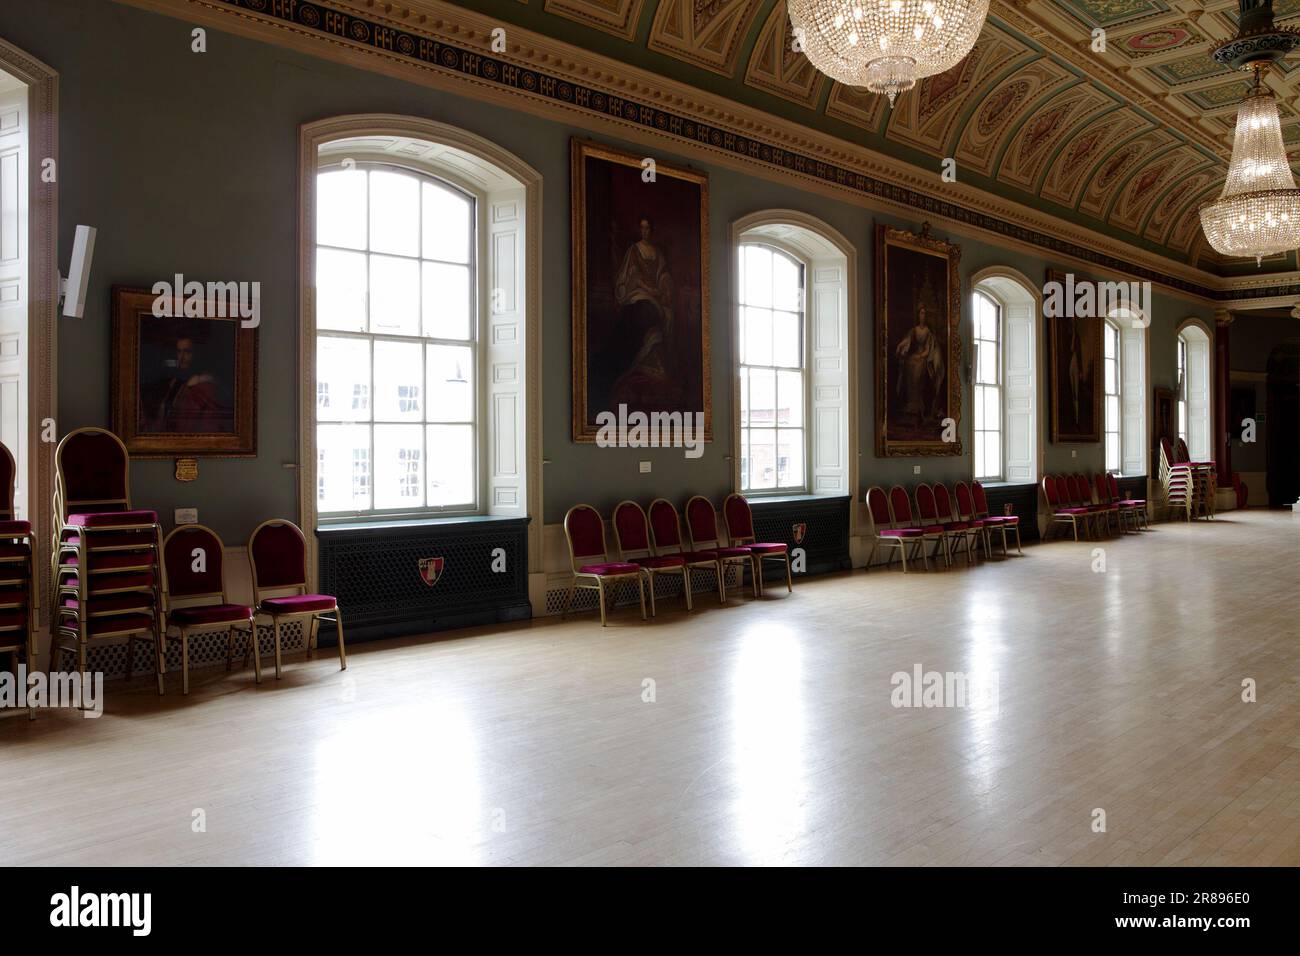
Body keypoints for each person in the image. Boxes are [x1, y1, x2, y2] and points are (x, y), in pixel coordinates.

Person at [609, 216, 686, 410]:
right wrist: (650, 290)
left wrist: (664, 285)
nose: (645, 231)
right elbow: (632, 276)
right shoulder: (634, 250)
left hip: (656, 293)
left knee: (666, 314)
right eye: (642, 228)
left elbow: (663, 274)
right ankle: (637, 360)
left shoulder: (657, 252)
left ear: (652, 230)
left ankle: (655, 361)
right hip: (639, 291)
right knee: (645, 309)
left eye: (648, 228)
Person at [151, 335, 230, 432]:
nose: (181, 357)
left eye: (187, 352)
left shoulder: (207, 386)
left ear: (197, 354)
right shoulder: (177, 383)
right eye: (179, 351)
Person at [895, 304, 945, 431]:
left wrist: (921, 356)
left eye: (924, 313)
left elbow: (928, 349)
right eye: (921, 313)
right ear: (918, 315)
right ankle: (910, 404)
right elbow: (907, 340)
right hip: (915, 355)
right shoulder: (914, 330)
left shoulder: (928, 332)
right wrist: (900, 345)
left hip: (923, 357)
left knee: (917, 366)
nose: (923, 316)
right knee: (908, 363)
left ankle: (917, 406)